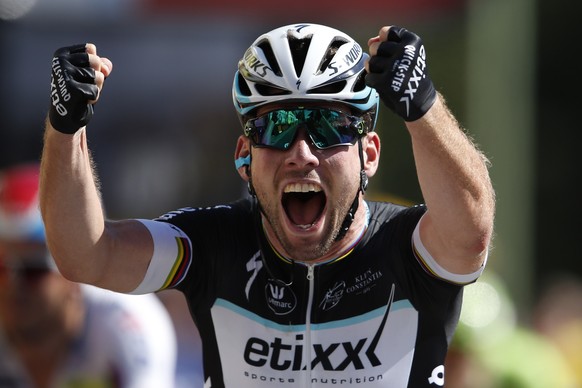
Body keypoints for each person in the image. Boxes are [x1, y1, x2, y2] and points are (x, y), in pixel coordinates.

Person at [39, 23, 495, 387]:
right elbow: (85, 254)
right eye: (276, 127)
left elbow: (470, 233)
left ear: (369, 154)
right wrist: (65, 128)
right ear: (244, 155)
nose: (301, 153)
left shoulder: (407, 250)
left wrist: (424, 106)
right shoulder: (212, 245)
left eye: (328, 126)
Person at [0, 163, 178, 388]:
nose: (12, 286)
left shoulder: (125, 323)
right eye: (2, 267)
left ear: (76, 273)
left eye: (33, 270)